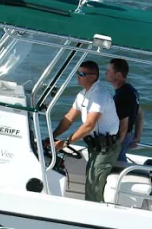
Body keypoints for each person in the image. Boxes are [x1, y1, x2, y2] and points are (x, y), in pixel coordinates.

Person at [48, 60, 120, 203]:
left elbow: (89, 125)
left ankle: (96, 219)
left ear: (93, 77)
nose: (78, 76)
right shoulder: (83, 94)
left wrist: (65, 143)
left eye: (81, 74)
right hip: (94, 145)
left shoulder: (99, 95)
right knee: (90, 181)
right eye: (78, 73)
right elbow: (69, 118)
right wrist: (51, 137)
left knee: (94, 185)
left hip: (106, 148)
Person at [105, 57, 144, 163]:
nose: (105, 73)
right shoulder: (131, 90)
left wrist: (115, 146)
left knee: (117, 164)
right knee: (120, 161)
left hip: (121, 138)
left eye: (108, 71)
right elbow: (139, 113)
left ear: (118, 75)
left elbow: (123, 125)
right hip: (127, 136)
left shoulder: (123, 95)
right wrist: (137, 136)